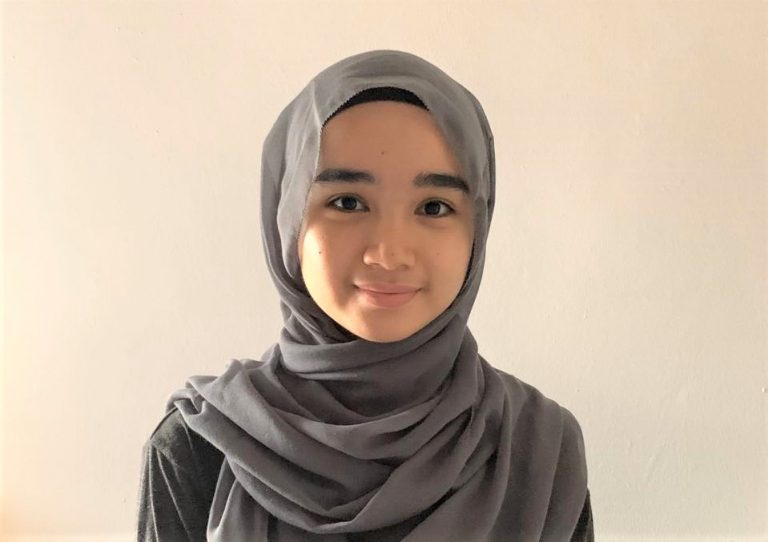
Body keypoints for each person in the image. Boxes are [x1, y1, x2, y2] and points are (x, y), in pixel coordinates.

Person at [137, 49, 593, 541]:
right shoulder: (199, 448)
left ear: (476, 229)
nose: (389, 254)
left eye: (434, 207)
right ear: (288, 220)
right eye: (348, 202)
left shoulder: (537, 451)